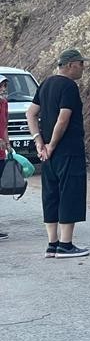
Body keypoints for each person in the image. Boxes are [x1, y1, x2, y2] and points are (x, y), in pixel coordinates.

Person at [26, 48, 89, 259]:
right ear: (70, 64)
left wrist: (39, 142)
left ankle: (52, 244)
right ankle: (66, 244)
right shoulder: (69, 86)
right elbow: (64, 118)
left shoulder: (46, 83)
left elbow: (31, 113)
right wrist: (52, 144)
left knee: (51, 194)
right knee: (69, 193)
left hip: (47, 154)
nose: (83, 68)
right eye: (81, 63)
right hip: (67, 149)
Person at [0, 76, 9, 240]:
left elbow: (4, 126)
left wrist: (8, 143)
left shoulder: (4, 103)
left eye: (4, 85)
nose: (3, 88)